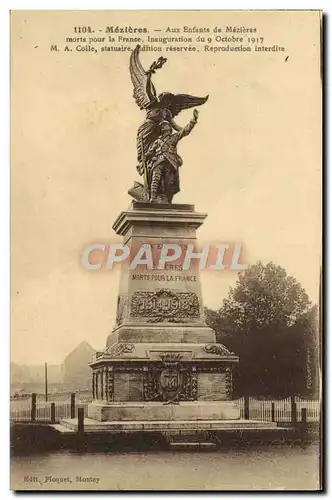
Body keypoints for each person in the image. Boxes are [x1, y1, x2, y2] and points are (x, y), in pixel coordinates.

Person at [145, 109, 199, 202]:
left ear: (169, 128)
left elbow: (185, 131)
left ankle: (168, 199)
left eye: (165, 125)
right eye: (162, 126)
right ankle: (153, 197)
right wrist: (146, 155)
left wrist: (193, 120)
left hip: (170, 161)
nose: (163, 127)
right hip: (159, 160)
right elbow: (151, 151)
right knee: (155, 177)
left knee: (169, 182)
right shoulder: (158, 140)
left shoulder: (174, 137)